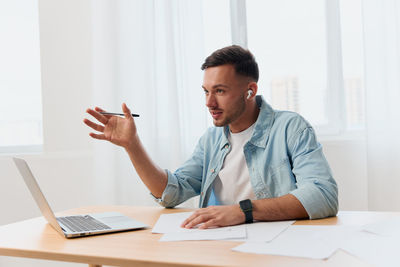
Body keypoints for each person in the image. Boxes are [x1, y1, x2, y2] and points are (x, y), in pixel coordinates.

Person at [84, 45, 338, 229]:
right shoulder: (212, 139)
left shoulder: (290, 128)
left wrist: (242, 211)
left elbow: (323, 195)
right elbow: (172, 193)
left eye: (220, 91)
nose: (209, 102)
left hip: (277, 247)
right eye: (205, 91)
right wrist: (132, 146)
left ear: (250, 91)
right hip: (220, 245)